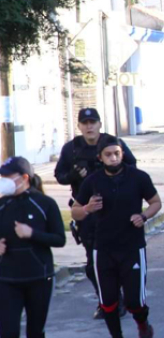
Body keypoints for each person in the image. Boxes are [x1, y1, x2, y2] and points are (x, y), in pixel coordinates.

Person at [71, 136, 162, 338]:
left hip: (132, 246)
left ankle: (142, 322)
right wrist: (88, 208)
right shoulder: (92, 182)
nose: (113, 158)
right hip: (102, 247)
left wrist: (143, 216)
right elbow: (75, 212)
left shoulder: (138, 177)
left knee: (134, 301)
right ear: (100, 158)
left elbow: (155, 202)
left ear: (122, 154)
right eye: (108, 154)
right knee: (108, 301)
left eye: (117, 153)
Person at [54, 108, 137, 319]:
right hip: (87, 210)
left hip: (115, 208)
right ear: (79, 126)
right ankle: (106, 301)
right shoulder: (71, 149)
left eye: (93, 122)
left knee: (120, 258)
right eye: (85, 123)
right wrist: (72, 175)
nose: (89, 126)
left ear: (100, 124)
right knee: (93, 262)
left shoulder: (113, 143)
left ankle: (122, 296)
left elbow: (132, 166)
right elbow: (59, 175)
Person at [0, 158, 65, 338]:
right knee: (7, 334)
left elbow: (59, 238)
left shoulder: (44, 203)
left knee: (35, 334)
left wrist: (32, 234)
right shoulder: (2, 205)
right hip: (6, 278)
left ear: (23, 178)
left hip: (39, 277)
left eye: (8, 176)